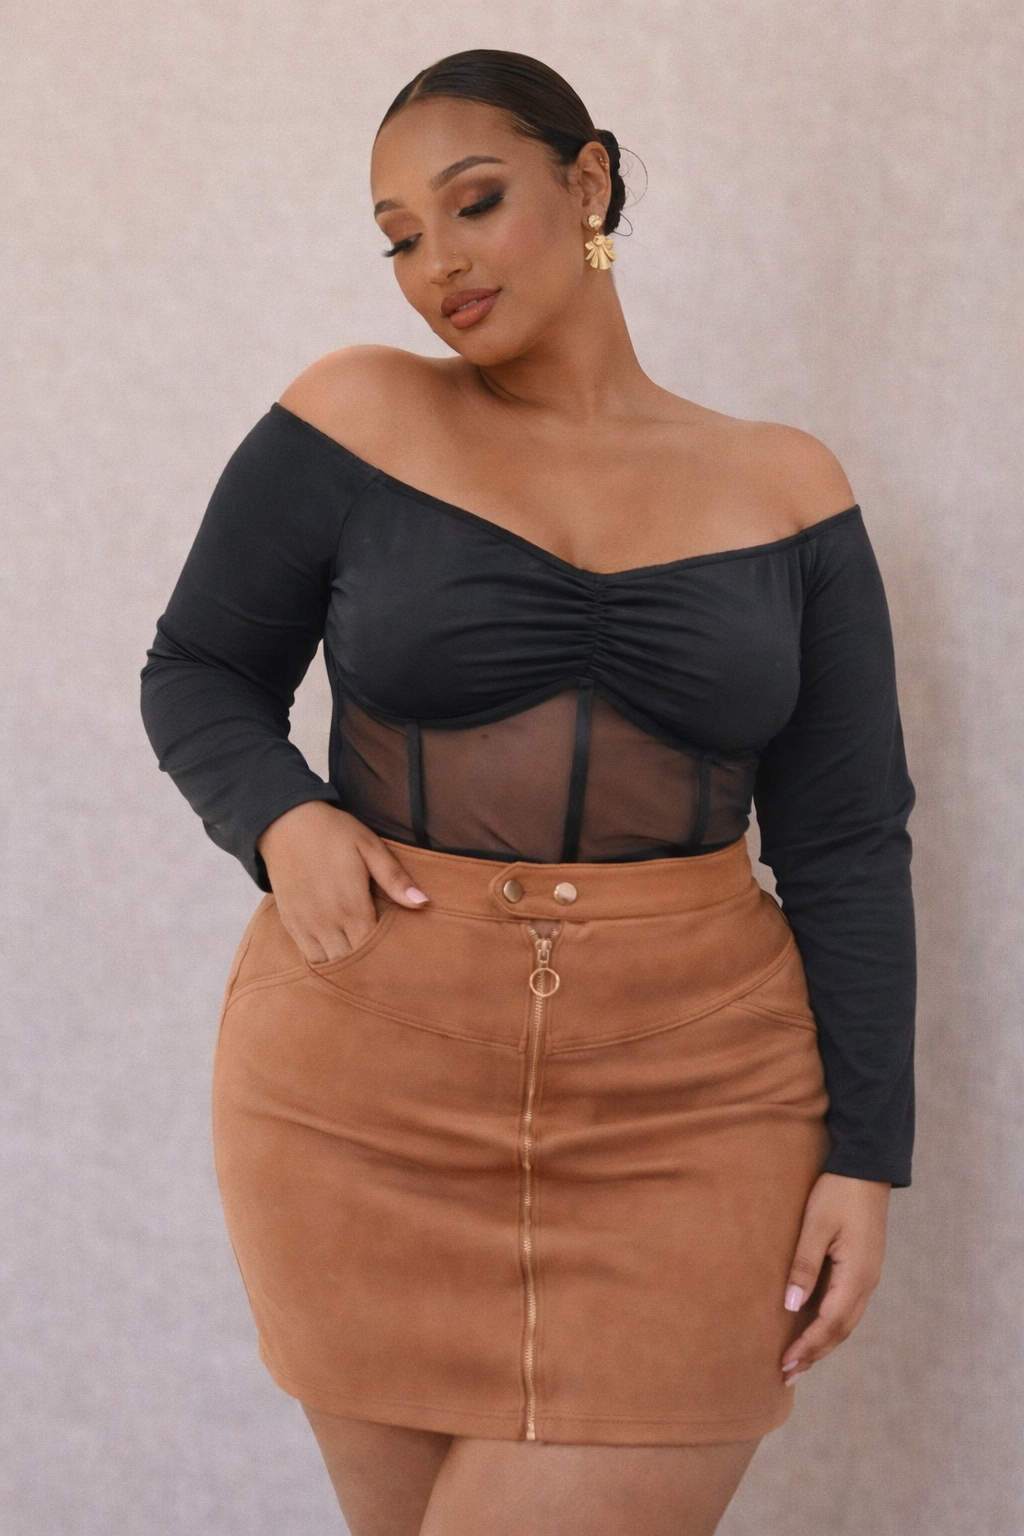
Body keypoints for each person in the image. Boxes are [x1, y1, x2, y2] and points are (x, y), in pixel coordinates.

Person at [139, 48, 916, 1536]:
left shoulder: (787, 486)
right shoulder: (355, 416)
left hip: (700, 1103)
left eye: (474, 203)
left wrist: (870, 1154)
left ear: (590, 181)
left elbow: (846, 842)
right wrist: (282, 816)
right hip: (365, 1086)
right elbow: (198, 669)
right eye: (398, 238)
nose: (435, 263)